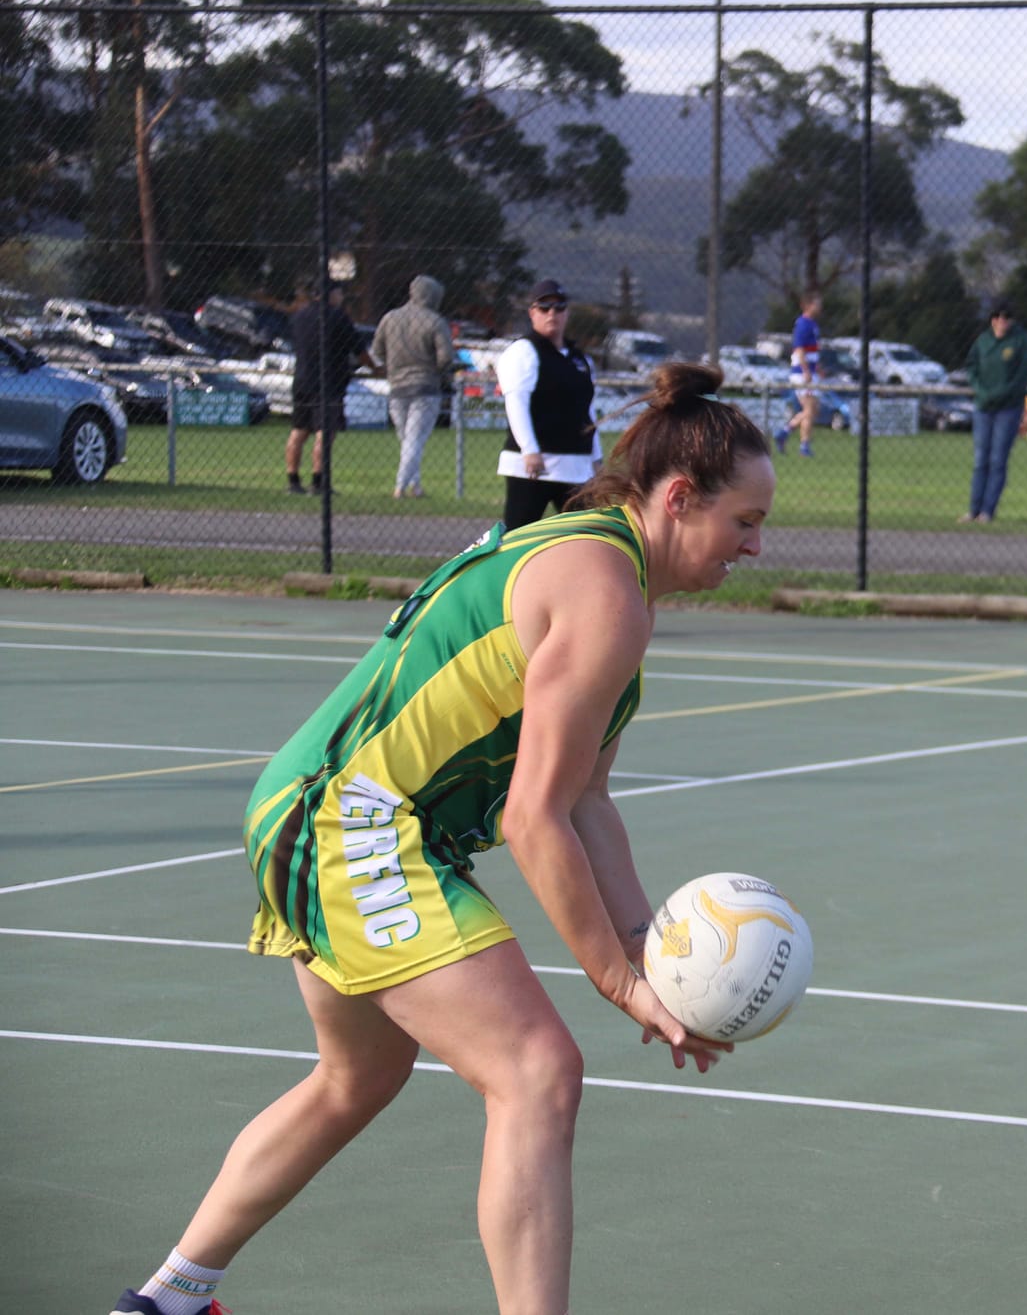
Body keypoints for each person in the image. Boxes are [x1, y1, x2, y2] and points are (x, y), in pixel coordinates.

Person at [108, 361, 774, 1315]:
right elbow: (532, 817)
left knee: (358, 1077)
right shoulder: (605, 595)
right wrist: (618, 982)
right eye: (745, 522)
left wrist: (644, 951)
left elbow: (590, 800)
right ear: (678, 498)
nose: (755, 545)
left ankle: (167, 1298)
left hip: (330, 812)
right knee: (538, 1071)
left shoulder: (605, 571)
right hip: (352, 823)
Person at [496, 279, 601, 531]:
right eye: (544, 307)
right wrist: (529, 450)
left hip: (575, 467)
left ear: (567, 313)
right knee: (519, 537)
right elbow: (516, 402)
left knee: (585, 538)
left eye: (559, 307)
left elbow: (587, 411)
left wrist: (596, 457)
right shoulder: (523, 351)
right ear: (532, 312)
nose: (552, 313)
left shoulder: (580, 359)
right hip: (533, 468)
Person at [370, 274, 456, 499]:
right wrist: (436, 370)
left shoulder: (390, 318)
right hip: (426, 387)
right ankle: (400, 487)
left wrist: (393, 365)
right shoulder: (435, 321)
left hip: (397, 386)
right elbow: (446, 356)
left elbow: (377, 350)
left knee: (406, 439)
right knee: (415, 440)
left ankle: (415, 486)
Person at [285, 281, 374, 496]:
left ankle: (293, 480)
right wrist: (375, 367)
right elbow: (358, 349)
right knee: (324, 434)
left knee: (298, 431)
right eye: (340, 293)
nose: (341, 297)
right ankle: (319, 481)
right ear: (332, 294)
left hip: (302, 380)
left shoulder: (299, 316)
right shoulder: (337, 317)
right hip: (329, 383)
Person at [962, 301, 1027, 522]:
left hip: (1008, 407)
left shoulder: (1020, 340)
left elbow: (1024, 373)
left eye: (1007, 317)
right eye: (998, 317)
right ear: (992, 320)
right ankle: (973, 509)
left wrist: (1004, 392)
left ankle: (987, 510)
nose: (1002, 321)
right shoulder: (983, 341)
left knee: (997, 460)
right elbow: (972, 366)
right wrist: (980, 389)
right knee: (980, 459)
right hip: (984, 406)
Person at [780, 292, 822, 457]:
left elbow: (812, 350)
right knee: (810, 409)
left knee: (813, 410)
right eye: (818, 303)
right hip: (802, 373)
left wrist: (818, 367)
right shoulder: (803, 324)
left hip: (811, 372)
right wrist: (806, 371)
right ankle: (804, 446)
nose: (820, 306)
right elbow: (799, 349)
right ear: (809, 305)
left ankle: (784, 432)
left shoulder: (813, 324)